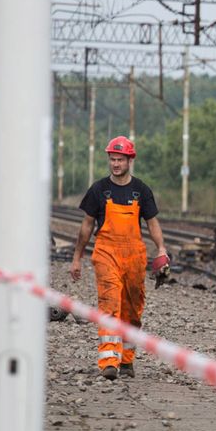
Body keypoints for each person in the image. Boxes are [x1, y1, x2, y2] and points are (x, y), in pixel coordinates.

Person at [69, 136, 168, 381]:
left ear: (129, 160)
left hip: (134, 255)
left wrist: (162, 249)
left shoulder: (141, 190)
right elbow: (87, 226)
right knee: (110, 304)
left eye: (120, 159)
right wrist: (77, 257)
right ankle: (109, 361)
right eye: (112, 159)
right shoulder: (99, 190)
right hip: (106, 252)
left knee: (132, 310)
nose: (115, 164)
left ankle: (126, 360)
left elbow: (152, 223)